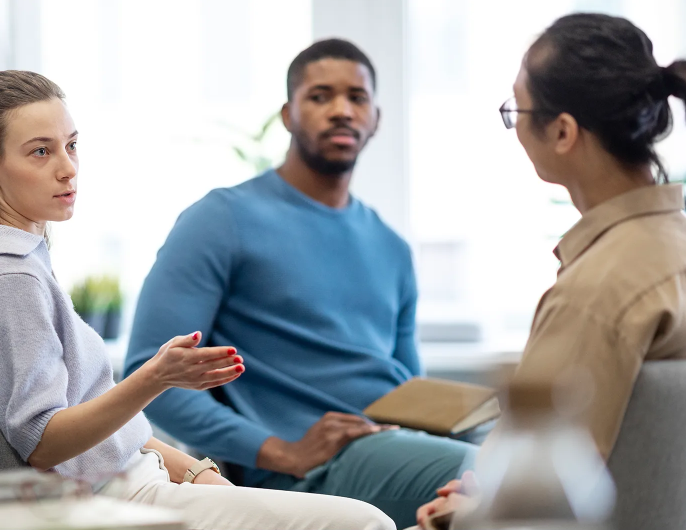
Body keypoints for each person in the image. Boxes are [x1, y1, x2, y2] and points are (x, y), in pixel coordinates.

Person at [0, 70, 395, 531]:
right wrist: (155, 377)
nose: (67, 167)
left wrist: (195, 470)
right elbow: (43, 442)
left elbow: (106, 435)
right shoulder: (8, 280)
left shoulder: (19, 266)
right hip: (115, 503)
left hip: (138, 482)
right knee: (367, 522)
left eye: (71, 145)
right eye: (41, 151)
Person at [124, 39, 477, 529]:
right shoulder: (221, 219)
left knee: (543, 459)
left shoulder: (391, 246)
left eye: (356, 97)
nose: (341, 110)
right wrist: (278, 451)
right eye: (320, 96)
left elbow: (407, 387)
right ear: (288, 115)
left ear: (376, 118)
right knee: (505, 476)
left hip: (394, 447)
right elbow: (150, 375)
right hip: (303, 469)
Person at [414, 13, 686, 528]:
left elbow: (533, 503)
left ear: (563, 131)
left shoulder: (596, 293)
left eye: (517, 109)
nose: (515, 126)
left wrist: (461, 514)